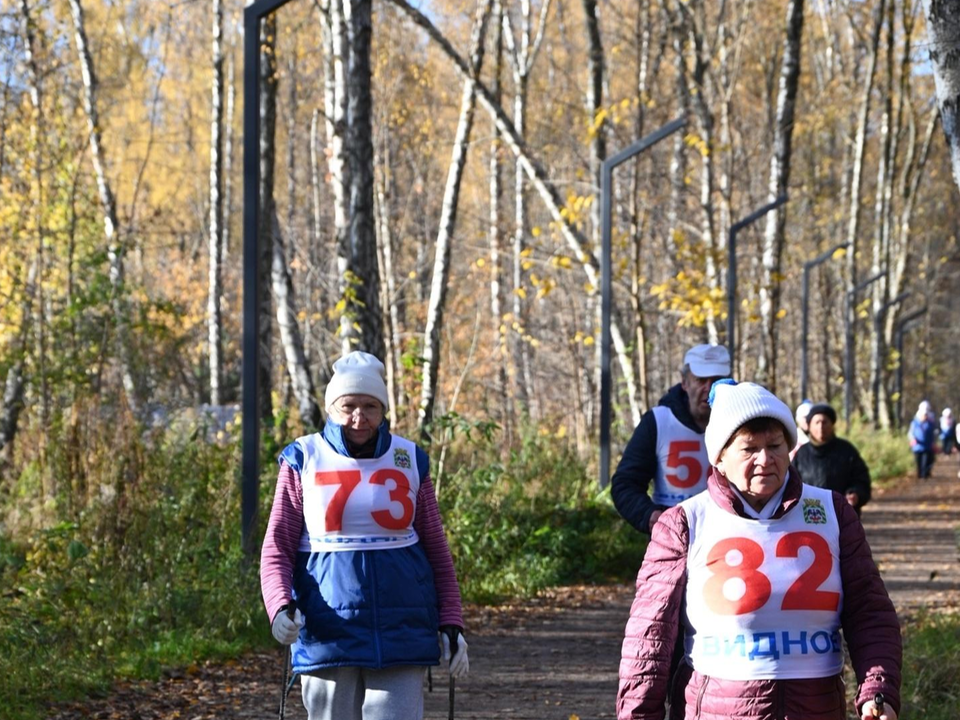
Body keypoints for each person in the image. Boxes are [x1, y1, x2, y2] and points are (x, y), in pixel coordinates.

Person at [617, 380, 902, 720]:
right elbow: (649, 639)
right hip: (714, 710)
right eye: (749, 449)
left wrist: (876, 691)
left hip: (816, 708)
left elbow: (869, 612)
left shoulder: (833, 512)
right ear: (719, 458)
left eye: (775, 445)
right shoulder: (683, 522)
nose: (765, 459)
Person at [260, 351, 468, 720]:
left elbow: (435, 549)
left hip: (403, 631)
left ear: (384, 408)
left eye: (370, 405)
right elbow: (277, 545)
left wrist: (451, 622)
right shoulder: (303, 458)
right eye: (348, 405)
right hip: (328, 632)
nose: (359, 417)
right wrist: (278, 606)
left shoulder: (410, 458)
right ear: (331, 407)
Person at [611, 344, 731, 535]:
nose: (708, 389)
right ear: (685, 382)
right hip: (674, 542)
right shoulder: (658, 422)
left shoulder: (743, 423)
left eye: (717, 380)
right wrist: (652, 517)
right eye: (700, 380)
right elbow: (625, 484)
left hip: (730, 538)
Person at [792, 403, 872, 516]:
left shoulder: (847, 451)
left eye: (825, 422)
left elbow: (862, 480)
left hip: (842, 517)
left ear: (832, 425)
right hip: (809, 518)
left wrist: (855, 494)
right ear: (809, 426)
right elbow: (791, 485)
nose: (821, 427)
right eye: (817, 422)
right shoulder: (801, 454)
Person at [908, 400, 937, 479]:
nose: (925, 416)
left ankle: (924, 475)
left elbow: (933, 434)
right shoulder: (914, 422)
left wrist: (934, 443)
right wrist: (912, 439)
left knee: (926, 461)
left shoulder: (930, 423)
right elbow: (911, 432)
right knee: (918, 462)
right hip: (917, 447)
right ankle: (920, 474)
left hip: (927, 446)